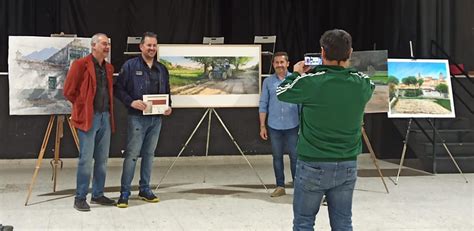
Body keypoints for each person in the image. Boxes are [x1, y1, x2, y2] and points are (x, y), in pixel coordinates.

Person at [277, 29, 375, 230]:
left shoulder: (312, 82)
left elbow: (281, 92)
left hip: (313, 163)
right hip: (347, 162)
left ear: (322, 53)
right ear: (350, 53)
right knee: (343, 222)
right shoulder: (361, 83)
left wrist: (296, 73)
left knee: (304, 222)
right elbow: (370, 83)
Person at [114, 32, 172, 208]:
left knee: (149, 155)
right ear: (141, 47)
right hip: (137, 119)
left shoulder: (162, 69)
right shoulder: (130, 66)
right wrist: (131, 102)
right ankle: (124, 192)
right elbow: (118, 89)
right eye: (149, 45)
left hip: (156, 119)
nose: (152, 48)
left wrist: (169, 106)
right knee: (132, 155)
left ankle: (145, 189)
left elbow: (167, 92)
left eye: (155, 45)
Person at [64, 33, 116, 212]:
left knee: (102, 160)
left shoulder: (108, 68)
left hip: (105, 118)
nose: (107, 47)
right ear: (93, 46)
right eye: (103, 44)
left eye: (108, 44)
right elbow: (68, 91)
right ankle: (80, 197)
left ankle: (98, 194)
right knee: (86, 160)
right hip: (88, 118)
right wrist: (82, 107)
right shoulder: (80, 65)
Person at [259, 52, 299, 197]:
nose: (279, 65)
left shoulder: (296, 80)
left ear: (288, 63)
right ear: (273, 64)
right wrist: (262, 125)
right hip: (274, 126)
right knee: (277, 157)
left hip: (293, 125)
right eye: (276, 62)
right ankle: (280, 186)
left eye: (282, 62)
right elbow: (263, 104)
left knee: (295, 157)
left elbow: (301, 102)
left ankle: (298, 186)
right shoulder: (268, 82)